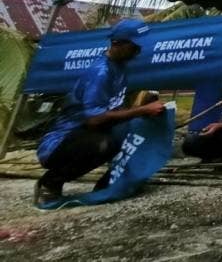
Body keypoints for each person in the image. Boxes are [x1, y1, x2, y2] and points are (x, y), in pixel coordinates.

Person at [34, 19, 166, 206]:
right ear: (117, 43)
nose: (138, 51)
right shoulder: (101, 73)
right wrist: (141, 110)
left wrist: (143, 112)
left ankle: (109, 182)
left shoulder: (119, 67)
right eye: (134, 46)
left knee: (135, 130)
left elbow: (113, 109)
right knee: (104, 144)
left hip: (87, 133)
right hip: (60, 143)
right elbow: (95, 119)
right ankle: (50, 182)